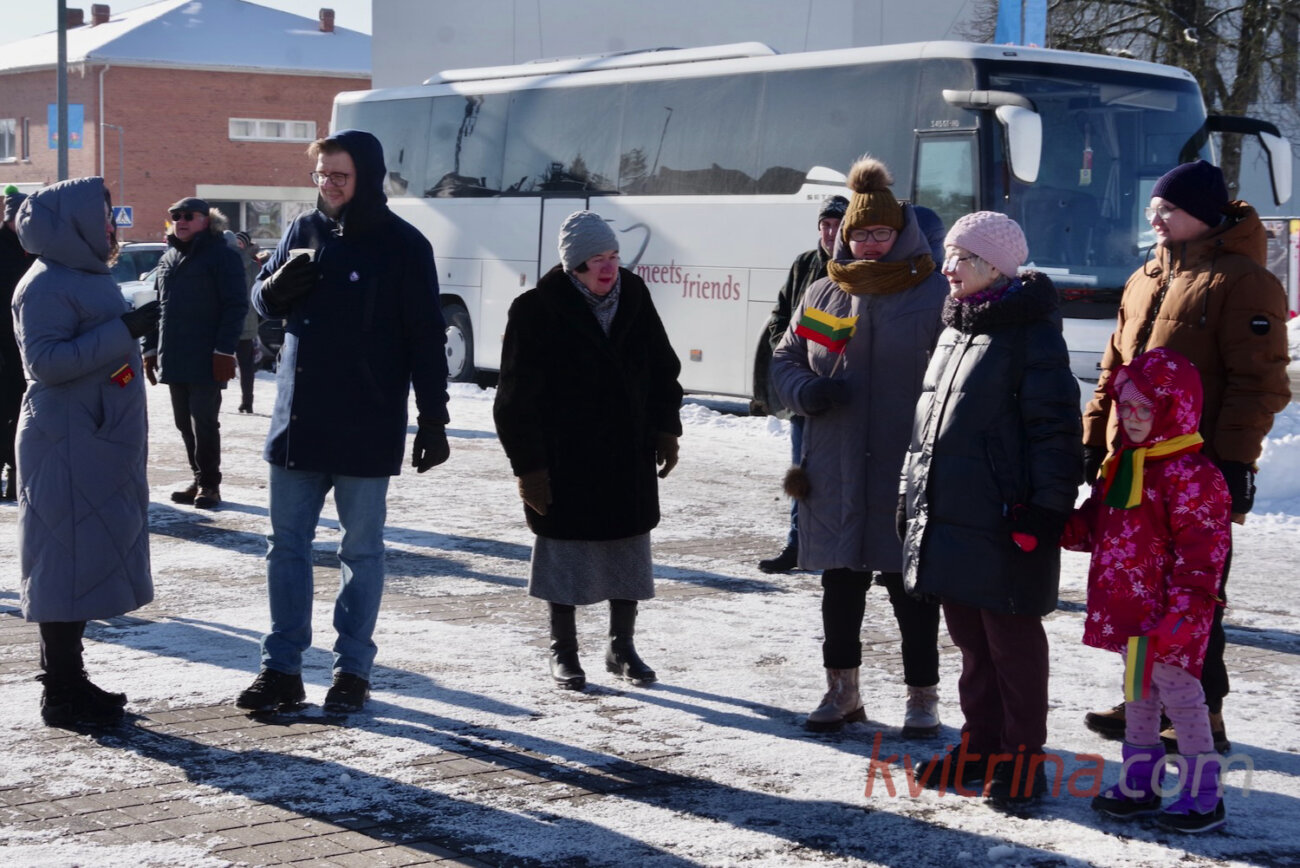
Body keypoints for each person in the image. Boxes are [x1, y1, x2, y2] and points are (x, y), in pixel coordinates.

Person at [236, 130, 451, 715]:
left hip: (367, 420)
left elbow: (426, 337)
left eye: (339, 176)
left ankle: (352, 670)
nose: (328, 185)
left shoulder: (404, 245)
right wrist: (270, 290)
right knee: (286, 547)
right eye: (321, 175)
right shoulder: (302, 230)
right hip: (299, 420)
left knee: (361, 552)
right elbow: (261, 299)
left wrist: (433, 418)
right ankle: (281, 669)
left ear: (368, 178)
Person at [1080, 160, 1291, 752]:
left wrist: (1232, 463)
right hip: (1133, 467)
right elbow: (1113, 368)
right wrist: (1094, 438)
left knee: (1194, 591)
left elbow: (1259, 382)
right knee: (1138, 589)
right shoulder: (1144, 275)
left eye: (1168, 209)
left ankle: (1204, 711)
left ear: (1203, 214)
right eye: (1154, 207)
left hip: (1197, 471)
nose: (1156, 217)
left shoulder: (1244, 282)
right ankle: (1143, 701)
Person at [901, 211, 1081, 807]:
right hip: (951, 513)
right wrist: (910, 498)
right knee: (971, 642)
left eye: (962, 259)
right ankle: (979, 746)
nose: (948, 270)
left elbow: (1055, 431)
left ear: (995, 267)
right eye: (948, 257)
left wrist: (1045, 511)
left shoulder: (1030, 332)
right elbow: (927, 426)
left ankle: (1023, 759)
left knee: (1012, 644)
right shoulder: (956, 325)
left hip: (1007, 519)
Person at [771, 157, 947, 735]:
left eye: (881, 233)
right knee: (840, 584)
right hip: (837, 460)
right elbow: (786, 358)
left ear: (902, 234)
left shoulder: (933, 293)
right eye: (860, 233)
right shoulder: (826, 291)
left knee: (909, 588)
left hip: (905, 463)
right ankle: (841, 692)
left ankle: (922, 697)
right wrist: (806, 391)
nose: (870, 244)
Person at [494, 210, 683, 691]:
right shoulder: (535, 309)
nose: (609, 267)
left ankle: (622, 648)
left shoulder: (634, 295)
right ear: (574, 265)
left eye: (614, 256)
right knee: (565, 555)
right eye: (597, 259)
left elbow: (663, 367)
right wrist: (529, 469)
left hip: (626, 455)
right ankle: (563, 650)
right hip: (566, 459)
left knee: (627, 551)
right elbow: (514, 399)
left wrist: (666, 428)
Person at [11, 177, 160, 727]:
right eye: (101, 214)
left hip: (92, 437)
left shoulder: (82, 273)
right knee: (62, 564)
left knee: (78, 562)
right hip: (66, 440)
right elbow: (46, 363)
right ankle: (60, 692)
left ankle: (70, 680)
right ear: (71, 221)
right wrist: (125, 329)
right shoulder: (46, 283)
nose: (110, 225)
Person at [1063, 348, 1231, 833]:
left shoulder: (1193, 476)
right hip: (1130, 611)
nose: (1133, 418)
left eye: (1146, 408)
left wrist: (1186, 611)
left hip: (1172, 617)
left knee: (1181, 698)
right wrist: (1056, 526)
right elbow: (1098, 527)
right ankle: (1140, 783)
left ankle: (1204, 794)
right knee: (1138, 695)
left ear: (1173, 409)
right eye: (1127, 407)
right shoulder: (1124, 465)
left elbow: (1203, 554)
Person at [756, 194, 847, 574]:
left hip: (843, 392)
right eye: (825, 225)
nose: (830, 232)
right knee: (802, 471)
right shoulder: (805, 264)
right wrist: (791, 352)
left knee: (849, 475)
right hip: (803, 390)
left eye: (838, 225)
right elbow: (781, 317)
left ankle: (853, 550)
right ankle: (798, 543)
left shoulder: (859, 269)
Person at [143, 197, 248, 509]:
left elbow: (236, 305)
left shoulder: (222, 255)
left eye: (188, 215)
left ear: (206, 219)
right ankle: (198, 476)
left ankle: (210, 485)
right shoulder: (169, 257)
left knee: (203, 421)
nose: (181, 221)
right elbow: (156, 307)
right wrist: (150, 348)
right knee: (183, 423)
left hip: (207, 356)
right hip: (174, 355)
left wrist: (224, 350)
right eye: (176, 216)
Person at [0, 186, 34, 501]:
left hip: (27, 345)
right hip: (4, 345)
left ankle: (16, 471)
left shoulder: (36, 250)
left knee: (23, 410)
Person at [232, 230, 262, 414]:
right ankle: (214, 400)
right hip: (232, 323)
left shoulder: (252, 266)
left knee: (246, 367)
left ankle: (247, 401)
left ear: (246, 245)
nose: (236, 246)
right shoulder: (226, 262)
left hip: (245, 324)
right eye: (234, 242)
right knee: (221, 363)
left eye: (240, 243)